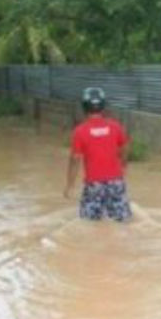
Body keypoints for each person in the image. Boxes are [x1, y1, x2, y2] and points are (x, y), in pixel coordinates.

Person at [64, 87, 133, 222]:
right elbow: (125, 147)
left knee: (89, 223)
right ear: (103, 106)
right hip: (116, 182)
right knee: (122, 221)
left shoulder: (79, 131)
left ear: (84, 107)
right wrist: (123, 165)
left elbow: (75, 160)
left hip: (93, 185)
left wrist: (69, 185)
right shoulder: (115, 126)